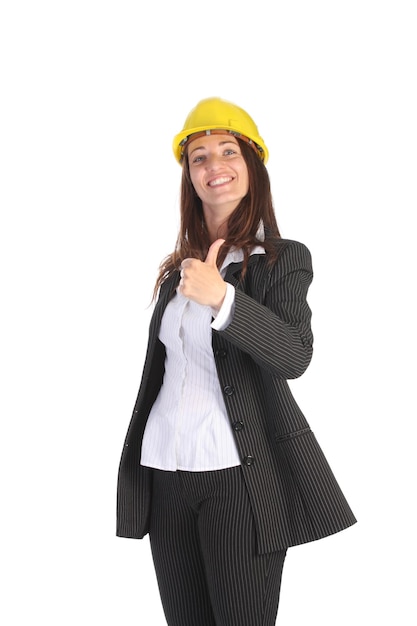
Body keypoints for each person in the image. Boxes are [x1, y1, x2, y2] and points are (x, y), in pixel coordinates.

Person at [116, 96, 356, 626]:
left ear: (252, 167)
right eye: (198, 156)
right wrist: (195, 283)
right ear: (189, 176)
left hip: (237, 478)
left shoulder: (284, 260)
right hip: (164, 473)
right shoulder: (178, 269)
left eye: (228, 151)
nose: (213, 166)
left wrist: (223, 298)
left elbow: (294, 355)